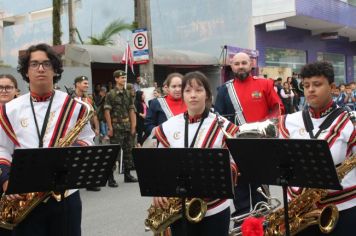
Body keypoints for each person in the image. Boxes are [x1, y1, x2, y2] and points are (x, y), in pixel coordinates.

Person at [0, 43, 94, 235]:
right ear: (26, 72)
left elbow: (87, 141)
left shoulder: (76, 107)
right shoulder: (10, 109)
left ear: (55, 69)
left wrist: (72, 155)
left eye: (46, 64)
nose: (40, 68)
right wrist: (6, 180)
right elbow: (2, 148)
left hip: (65, 196)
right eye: (34, 64)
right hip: (26, 197)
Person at [153, 71, 239, 236]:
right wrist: (159, 189)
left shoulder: (224, 127)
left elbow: (234, 164)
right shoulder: (169, 126)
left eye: (198, 90)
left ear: (207, 94)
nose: (193, 95)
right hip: (179, 208)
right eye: (188, 90)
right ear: (183, 95)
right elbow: (160, 162)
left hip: (215, 207)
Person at [279, 61, 355, 235]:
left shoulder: (350, 122)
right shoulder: (289, 120)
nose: (310, 90)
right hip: (300, 214)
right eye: (306, 85)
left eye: (317, 84)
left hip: (343, 208)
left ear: (332, 87)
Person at [214, 52, 284, 218]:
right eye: (237, 64)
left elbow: (277, 108)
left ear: (251, 64)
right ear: (232, 66)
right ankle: (242, 223)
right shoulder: (224, 89)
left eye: (244, 63)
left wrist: (263, 130)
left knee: (261, 189)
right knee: (240, 190)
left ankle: (263, 222)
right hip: (236, 148)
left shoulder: (265, 84)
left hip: (262, 145)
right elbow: (219, 118)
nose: (240, 66)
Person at [104, 70, 137, 187]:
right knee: (115, 153)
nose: (123, 79)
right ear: (116, 79)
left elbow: (131, 110)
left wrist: (133, 126)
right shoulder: (110, 94)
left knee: (129, 152)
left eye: (124, 77)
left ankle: (127, 174)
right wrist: (110, 128)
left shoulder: (128, 93)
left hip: (127, 126)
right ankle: (111, 178)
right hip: (116, 126)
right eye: (122, 78)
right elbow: (107, 111)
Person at [73, 75, 101, 192]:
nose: (87, 85)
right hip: (73, 132)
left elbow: (93, 114)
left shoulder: (88, 99)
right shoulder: (70, 98)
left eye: (87, 83)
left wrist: (97, 127)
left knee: (90, 156)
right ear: (77, 84)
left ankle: (89, 182)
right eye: (85, 83)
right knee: (75, 157)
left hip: (87, 132)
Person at [0, 74, 18, 235]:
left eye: (8, 87)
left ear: (16, 90)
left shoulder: (22, 115)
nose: (4, 91)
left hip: (19, 172)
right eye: (0, 87)